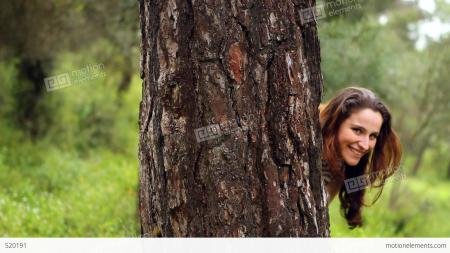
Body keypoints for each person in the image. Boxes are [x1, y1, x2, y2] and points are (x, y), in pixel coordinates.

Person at [319, 87, 402, 228]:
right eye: (357, 130)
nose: (365, 145)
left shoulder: (341, 168)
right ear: (336, 122)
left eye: (373, 136)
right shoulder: (304, 133)